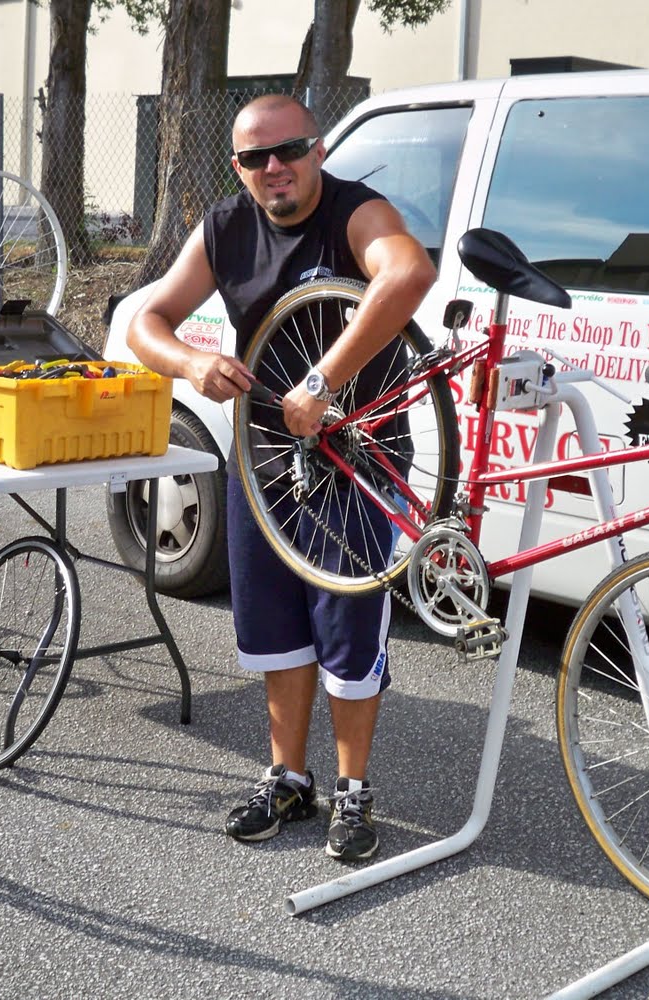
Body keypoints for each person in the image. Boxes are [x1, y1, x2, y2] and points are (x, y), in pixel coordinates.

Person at [126, 93, 436, 862]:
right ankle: (287, 778)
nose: (275, 169)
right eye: (254, 158)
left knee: (347, 635)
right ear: (237, 168)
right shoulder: (226, 227)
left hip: (353, 461)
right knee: (274, 635)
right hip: (263, 464)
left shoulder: (355, 212)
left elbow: (409, 273)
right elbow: (145, 321)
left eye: (289, 151)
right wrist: (192, 360)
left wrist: (326, 381)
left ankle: (352, 789)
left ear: (319, 150)